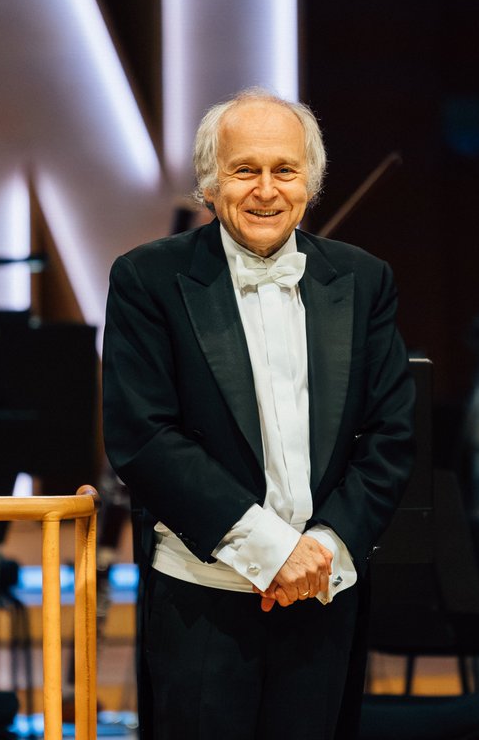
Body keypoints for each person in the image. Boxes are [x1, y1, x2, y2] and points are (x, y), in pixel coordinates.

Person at [102, 87, 415, 740]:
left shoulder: (364, 279)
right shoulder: (146, 279)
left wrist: (320, 551)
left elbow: (390, 436)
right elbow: (144, 438)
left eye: (284, 170)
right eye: (245, 170)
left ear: (311, 182)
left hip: (325, 595)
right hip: (202, 601)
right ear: (211, 184)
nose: (266, 190)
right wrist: (271, 552)